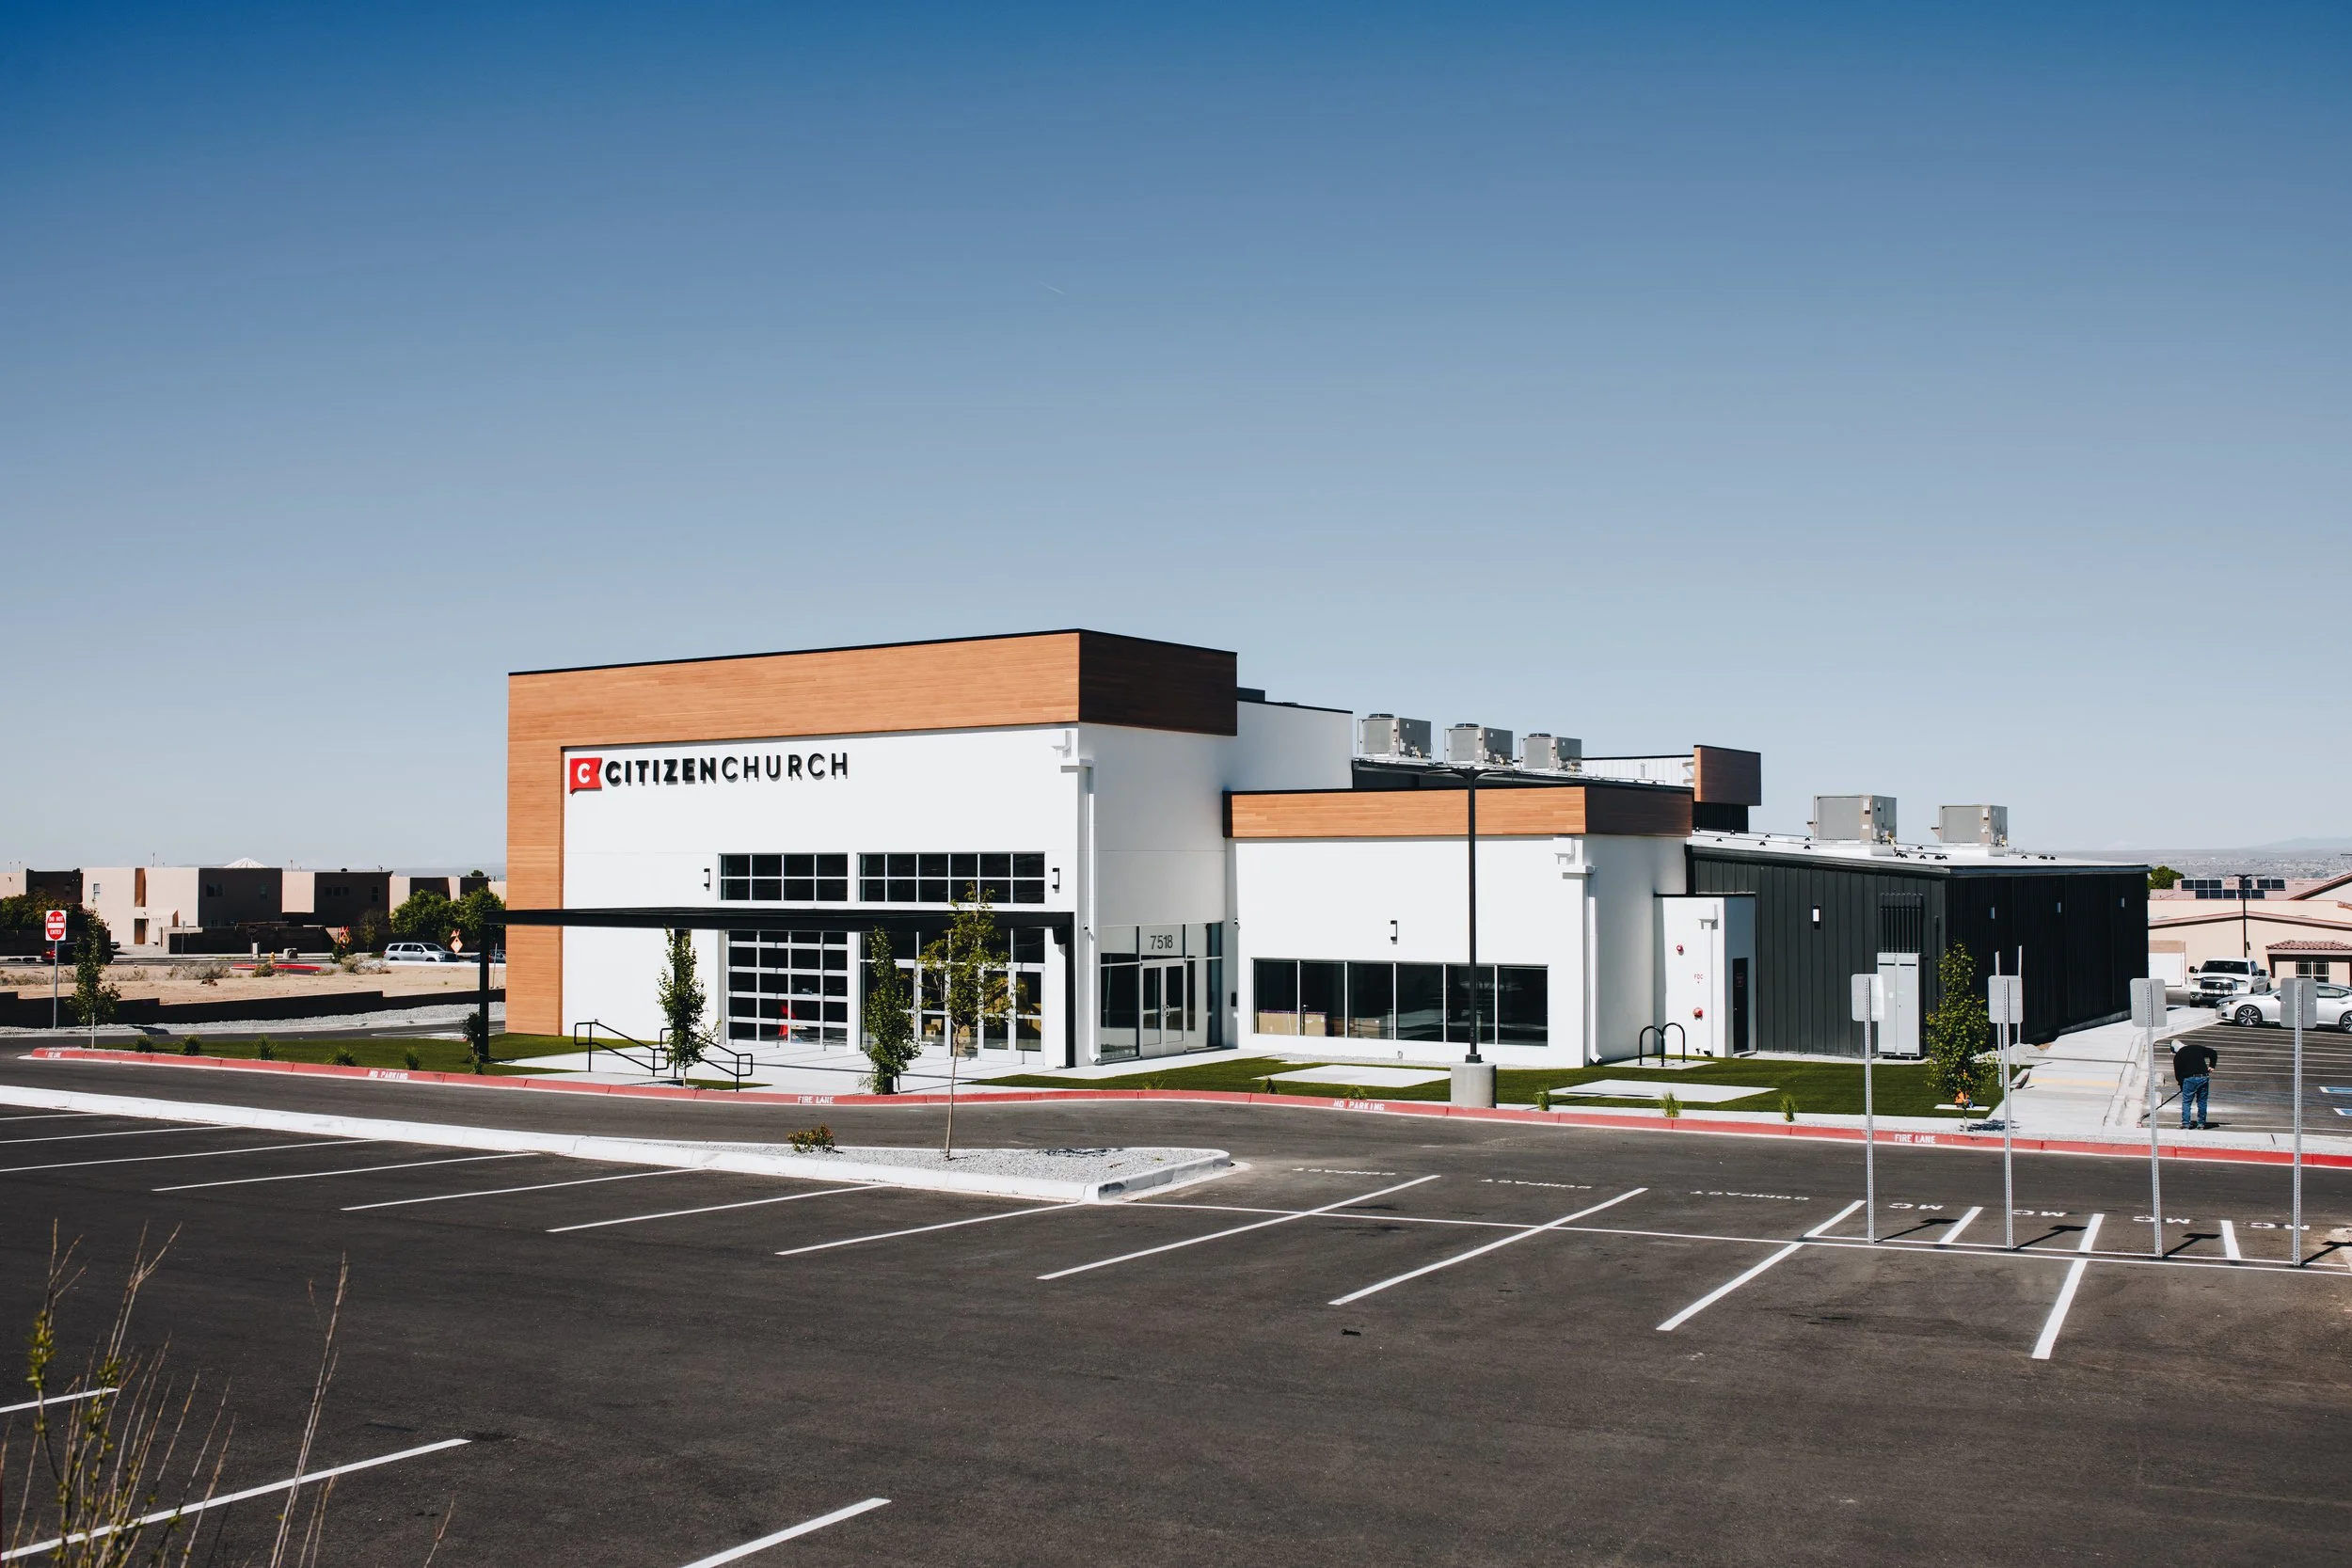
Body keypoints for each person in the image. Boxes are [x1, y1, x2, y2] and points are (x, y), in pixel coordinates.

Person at [2173, 1037, 2219, 1130]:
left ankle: (2186, 1123)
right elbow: (2213, 1053)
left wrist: (2182, 1085)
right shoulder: (2196, 1048)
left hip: (2189, 1079)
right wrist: (2212, 1066)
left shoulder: (2178, 1056)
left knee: (2187, 1102)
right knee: (2202, 1101)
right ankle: (2201, 1124)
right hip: (2203, 1077)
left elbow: (2178, 1074)